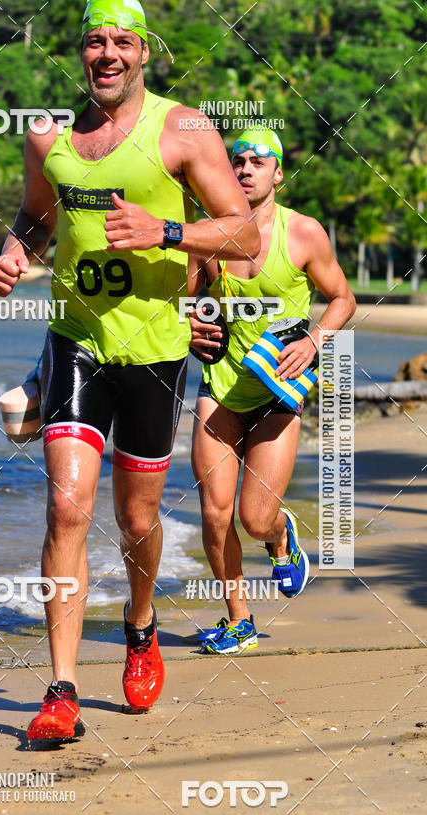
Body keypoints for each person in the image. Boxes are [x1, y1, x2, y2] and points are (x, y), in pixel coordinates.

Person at [0, 0, 260, 738]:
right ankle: (62, 690)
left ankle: (140, 625)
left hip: (156, 352)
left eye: (122, 42)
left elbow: (243, 234)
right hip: (74, 341)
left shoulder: (184, 129)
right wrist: (15, 253)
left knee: (137, 518)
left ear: (144, 52)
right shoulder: (48, 136)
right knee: (66, 508)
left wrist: (164, 230)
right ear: (81, 52)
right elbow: (36, 219)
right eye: (94, 41)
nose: (107, 53)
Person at [189, 127, 356, 654]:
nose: (245, 169)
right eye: (237, 160)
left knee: (255, 518)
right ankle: (239, 620)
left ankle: (281, 536)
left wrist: (314, 340)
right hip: (219, 388)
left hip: (278, 391)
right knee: (214, 514)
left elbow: (343, 298)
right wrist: (192, 326)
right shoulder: (207, 235)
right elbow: (187, 303)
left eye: (258, 162)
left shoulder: (304, 233)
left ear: (278, 174)